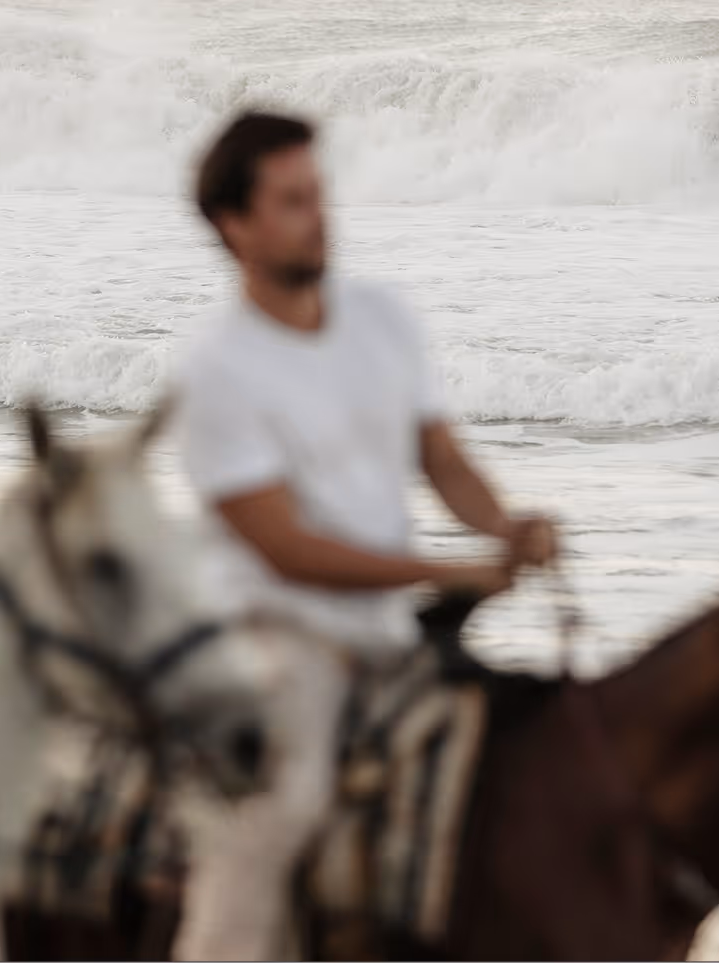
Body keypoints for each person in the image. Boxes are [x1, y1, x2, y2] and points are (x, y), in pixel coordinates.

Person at [172, 110, 557, 961]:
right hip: (278, 638)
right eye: (294, 200)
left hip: (388, 633)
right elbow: (286, 549)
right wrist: (441, 570)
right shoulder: (216, 372)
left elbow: (441, 456)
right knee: (284, 807)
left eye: (321, 193)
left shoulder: (383, 318)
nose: (321, 214)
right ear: (235, 225)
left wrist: (504, 525)